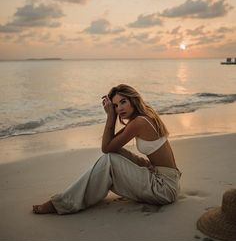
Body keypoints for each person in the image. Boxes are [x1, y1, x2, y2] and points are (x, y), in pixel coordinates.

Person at [33, 84, 181, 214]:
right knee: (115, 153)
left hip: (164, 189)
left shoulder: (139, 122)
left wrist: (110, 116)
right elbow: (111, 146)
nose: (120, 108)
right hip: (165, 178)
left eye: (123, 102)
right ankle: (79, 194)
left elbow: (106, 147)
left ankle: (64, 202)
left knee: (109, 159)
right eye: (115, 106)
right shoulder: (144, 116)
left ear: (133, 100)